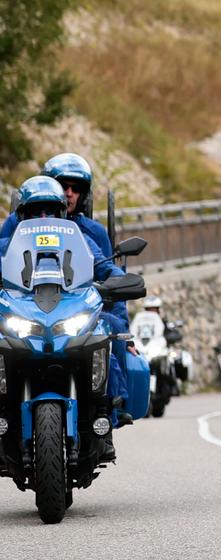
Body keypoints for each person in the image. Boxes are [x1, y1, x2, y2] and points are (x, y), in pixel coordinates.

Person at [5, 156, 132, 444]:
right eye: (64, 186)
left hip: (74, 309)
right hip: (24, 310)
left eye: (76, 188)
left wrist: (118, 280)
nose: (69, 193)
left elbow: (105, 267)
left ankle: (107, 410)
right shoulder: (12, 231)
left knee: (109, 329)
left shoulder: (89, 234)